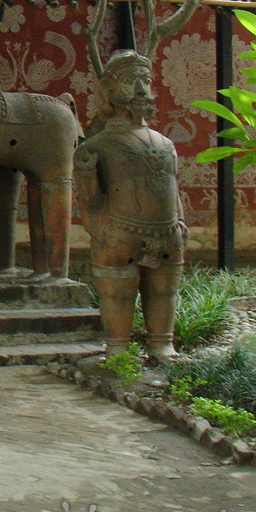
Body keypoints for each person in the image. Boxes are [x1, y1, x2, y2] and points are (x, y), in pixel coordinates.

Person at [74, 49, 187, 363]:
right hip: (119, 232)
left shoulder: (165, 143)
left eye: (145, 80)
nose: (140, 88)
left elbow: (173, 187)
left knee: (164, 291)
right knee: (117, 294)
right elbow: (90, 202)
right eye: (129, 80)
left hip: (168, 232)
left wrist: (180, 222)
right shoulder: (96, 147)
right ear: (108, 90)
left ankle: (162, 344)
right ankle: (118, 348)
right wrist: (86, 174)